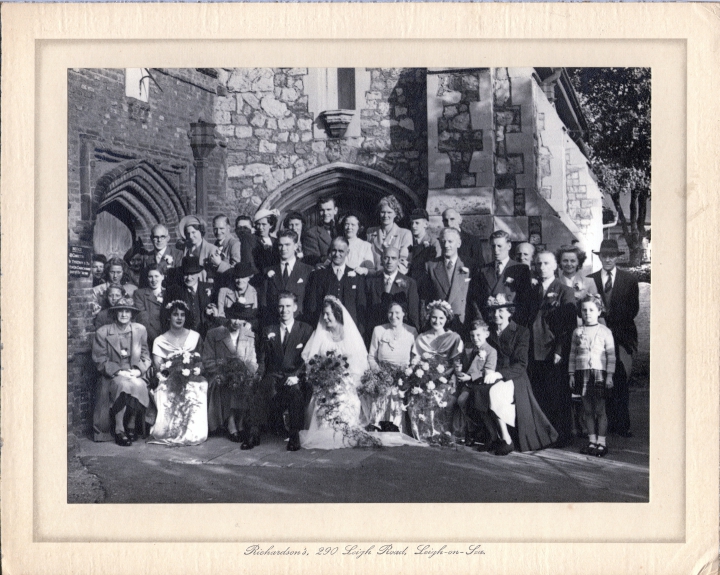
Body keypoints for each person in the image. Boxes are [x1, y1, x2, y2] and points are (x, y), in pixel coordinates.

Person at [484, 293, 558, 454]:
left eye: (501, 311)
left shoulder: (521, 332)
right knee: (477, 393)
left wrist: (499, 374)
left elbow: (521, 363)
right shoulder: (487, 332)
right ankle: (492, 436)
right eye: (494, 311)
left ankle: (507, 440)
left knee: (495, 393)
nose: (497, 314)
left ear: (510, 312)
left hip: (514, 377)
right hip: (490, 374)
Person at [587, 239, 639, 438]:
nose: (608, 259)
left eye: (611, 255)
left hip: (622, 336)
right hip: (597, 337)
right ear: (599, 256)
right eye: (604, 255)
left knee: (620, 378)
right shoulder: (590, 280)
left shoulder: (629, 280)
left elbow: (632, 309)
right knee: (600, 380)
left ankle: (622, 424)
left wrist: (611, 325)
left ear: (617, 257)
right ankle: (603, 423)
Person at [526, 250, 577, 446]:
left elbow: (568, 326)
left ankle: (562, 435)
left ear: (556, 266)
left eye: (547, 263)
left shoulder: (565, 290)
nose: (542, 267)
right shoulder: (532, 291)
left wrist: (559, 350)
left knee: (558, 393)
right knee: (540, 393)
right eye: (539, 264)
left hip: (553, 350)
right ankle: (545, 435)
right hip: (534, 349)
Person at [256, 292, 315, 452]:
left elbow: (308, 359)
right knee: (260, 389)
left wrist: (297, 376)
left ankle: (295, 435)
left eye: (288, 306)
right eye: (281, 306)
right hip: (274, 375)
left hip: (295, 376)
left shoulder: (305, 330)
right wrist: (258, 375)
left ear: (295, 307)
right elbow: (262, 358)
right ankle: (253, 434)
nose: (284, 310)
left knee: (295, 393)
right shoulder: (269, 329)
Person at [91, 297, 152, 445]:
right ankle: (120, 429)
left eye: (127, 311)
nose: (124, 314)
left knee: (140, 385)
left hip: (133, 372)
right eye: (121, 311)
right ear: (115, 313)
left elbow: (145, 356)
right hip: (114, 373)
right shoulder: (103, 332)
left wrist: (138, 371)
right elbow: (100, 360)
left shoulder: (140, 330)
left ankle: (131, 425)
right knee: (124, 385)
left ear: (132, 314)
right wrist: (119, 372)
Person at [149, 299, 208, 446]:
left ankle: (192, 432)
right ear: (169, 317)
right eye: (175, 314)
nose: (179, 318)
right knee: (164, 389)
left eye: (182, 315)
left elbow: (201, 360)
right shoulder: (159, 340)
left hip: (191, 375)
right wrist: (172, 372)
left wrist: (194, 369)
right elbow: (159, 367)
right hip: (169, 377)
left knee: (198, 386)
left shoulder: (195, 336)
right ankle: (171, 431)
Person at [202, 302, 259, 443]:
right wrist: (225, 370)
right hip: (219, 375)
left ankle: (239, 422)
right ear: (228, 316)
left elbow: (252, 361)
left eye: (241, 319)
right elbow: (207, 361)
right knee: (229, 383)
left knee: (242, 382)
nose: (236, 322)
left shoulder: (249, 335)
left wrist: (245, 371)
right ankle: (231, 423)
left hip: (242, 375)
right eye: (234, 317)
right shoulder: (214, 334)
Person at [569, 295, 616, 457]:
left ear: (599, 311)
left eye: (591, 310)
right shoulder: (577, 332)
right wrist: (571, 374)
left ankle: (602, 443)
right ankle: (592, 441)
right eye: (584, 310)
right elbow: (572, 355)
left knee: (600, 410)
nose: (587, 313)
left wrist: (609, 376)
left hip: (599, 374)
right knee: (587, 410)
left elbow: (611, 356)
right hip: (582, 374)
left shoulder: (605, 332)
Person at [409, 300, 464, 440]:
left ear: (447, 319)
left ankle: (442, 433)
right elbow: (415, 360)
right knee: (418, 393)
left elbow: (456, 362)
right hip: (425, 378)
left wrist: (446, 378)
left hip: (445, 379)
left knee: (443, 395)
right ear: (429, 317)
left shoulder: (453, 338)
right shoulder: (421, 338)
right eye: (434, 317)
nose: (437, 321)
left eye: (441, 318)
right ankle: (425, 433)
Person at [366, 301, 418, 431]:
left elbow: (416, 356)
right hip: (382, 376)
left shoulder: (411, 332)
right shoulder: (379, 330)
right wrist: (379, 373)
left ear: (404, 314)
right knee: (381, 400)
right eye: (390, 312)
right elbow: (371, 356)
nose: (393, 316)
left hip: (402, 378)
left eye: (397, 313)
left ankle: (397, 430)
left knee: (397, 404)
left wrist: (409, 371)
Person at [304, 236, 366, 336]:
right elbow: (312, 305)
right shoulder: (319, 275)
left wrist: (360, 332)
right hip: (325, 328)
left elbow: (361, 307)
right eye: (334, 250)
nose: (337, 254)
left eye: (341, 251)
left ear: (347, 252)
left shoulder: (356, 277)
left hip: (350, 330)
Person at [472, 230, 532, 327]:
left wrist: (517, 323)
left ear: (509, 246)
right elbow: (475, 298)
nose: (496, 250)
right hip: (489, 323)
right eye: (493, 246)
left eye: (499, 246)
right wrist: (481, 322)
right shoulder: (483, 270)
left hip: (512, 323)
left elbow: (525, 301)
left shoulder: (521, 269)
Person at [419, 227, 473, 335]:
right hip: (439, 324)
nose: (446, 245)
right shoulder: (430, 266)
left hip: (462, 323)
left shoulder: (470, 264)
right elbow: (424, 297)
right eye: (443, 241)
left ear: (459, 243)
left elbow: (474, 297)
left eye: (450, 241)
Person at [453, 319, 498, 446]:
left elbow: (488, 371)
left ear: (486, 334)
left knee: (478, 405)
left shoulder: (491, 351)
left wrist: (471, 377)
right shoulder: (467, 347)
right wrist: (458, 369)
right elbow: (459, 361)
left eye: (478, 335)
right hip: (467, 384)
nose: (475, 338)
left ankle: (484, 432)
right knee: (461, 400)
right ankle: (471, 428)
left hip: (482, 384)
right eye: (472, 335)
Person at [259, 229, 313, 324]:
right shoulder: (268, 271)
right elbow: (264, 303)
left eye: (287, 245)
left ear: (295, 246)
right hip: (275, 325)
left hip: (299, 325)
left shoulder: (307, 271)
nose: (283, 249)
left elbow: (310, 303)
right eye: (280, 245)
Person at [364, 246, 420, 335]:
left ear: (398, 261)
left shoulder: (409, 283)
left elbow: (413, 315)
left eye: (393, 258)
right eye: (386, 258)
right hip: (377, 332)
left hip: (400, 333)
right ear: (381, 260)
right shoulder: (371, 282)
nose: (389, 262)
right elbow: (367, 312)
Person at [164, 256, 215, 337]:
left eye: (192, 274)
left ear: (198, 273)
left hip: (206, 336)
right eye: (186, 274)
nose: (189, 278)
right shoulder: (174, 291)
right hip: (183, 336)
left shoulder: (210, 289)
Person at [366, 195, 413, 271]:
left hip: (393, 279)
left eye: (389, 212)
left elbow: (404, 263)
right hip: (372, 279)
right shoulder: (370, 232)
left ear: (396, 214)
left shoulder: (405, 234)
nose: (385, 215)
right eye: (383, 212)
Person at [133, 264, 167, 345]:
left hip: (169, 336)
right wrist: (158, 340)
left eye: (156, 276)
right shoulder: (139, 294)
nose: (153, 280)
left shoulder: (170, 293)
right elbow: (143, 319)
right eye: (150, 276)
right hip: (150, 338)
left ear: (163, 276)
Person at [206, 215, 242, 287]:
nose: (218, 232)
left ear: (228, 228)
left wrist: (220, 264)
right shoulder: (216, 244)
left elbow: (238, 271)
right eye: (215, 228)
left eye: (221, 228)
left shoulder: (234, 244)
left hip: (229, 288)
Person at [302, 196, 338, 266]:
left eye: (328, 209)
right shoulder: (312, 233)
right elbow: (312, 259)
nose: (325, 213)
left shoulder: (342, 230)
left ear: (335, 210)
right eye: (322, 210)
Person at [406, 208, 440, 284]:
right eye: (412, 223)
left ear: (426, 224)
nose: (413, 226)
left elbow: (435, 267)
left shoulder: (433, 243)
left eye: (417, 223)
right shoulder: (408, 241)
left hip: (425, 283)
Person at [178, 216, 216, 280]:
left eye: (193, 232)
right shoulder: (185, 248)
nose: (190, 236)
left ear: (200, 231)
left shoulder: (211, 249)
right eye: (188, 233)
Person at [252, 208, 281, 276]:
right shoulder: (253, 240)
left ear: (270, 225)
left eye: (264, 224)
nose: (260, 227)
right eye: (258, 224)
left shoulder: (275, 241)